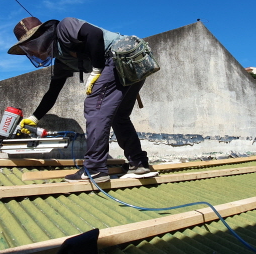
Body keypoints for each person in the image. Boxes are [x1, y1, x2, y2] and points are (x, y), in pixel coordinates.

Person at [8, 17, 152, 183]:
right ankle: (139, 164)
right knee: (119, 116)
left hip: (122, 58)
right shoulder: (62, 61)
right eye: (28, 50)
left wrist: (97, 69)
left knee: (94, 108)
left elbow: (94, 34)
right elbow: (52, 92)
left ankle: (95, 169)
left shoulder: (65, 27)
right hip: (130, 63)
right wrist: (34, 118)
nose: (32, 52)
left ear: (40, 37)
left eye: (30, 46)